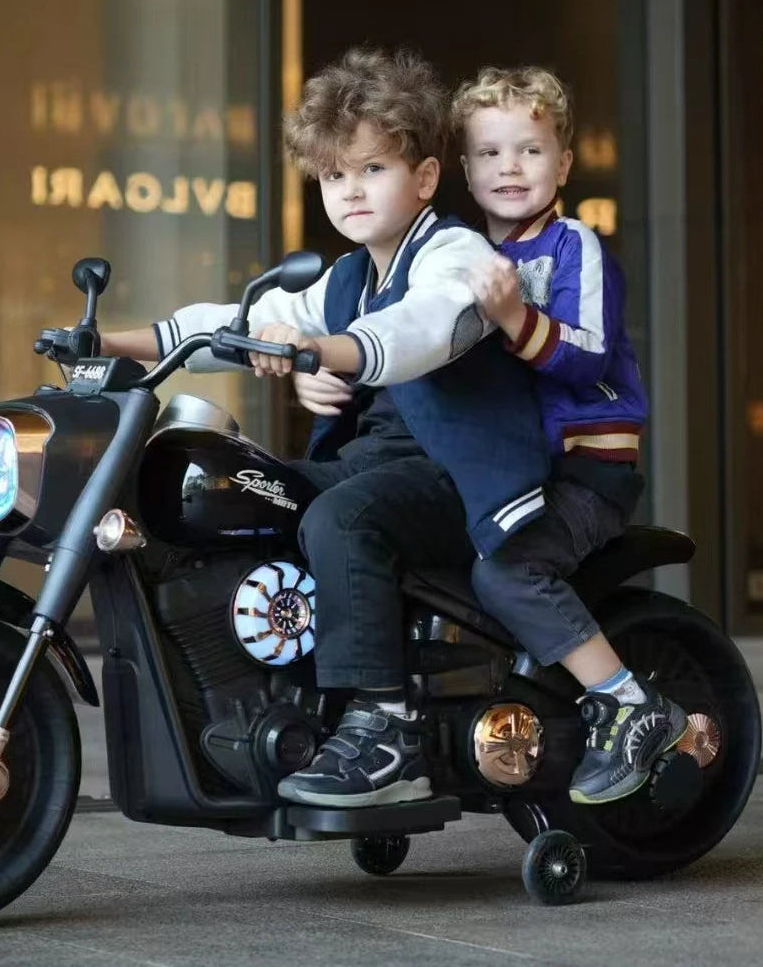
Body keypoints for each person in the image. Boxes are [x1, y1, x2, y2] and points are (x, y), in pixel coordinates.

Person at [100, 46, 550, 808]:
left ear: (426, 178)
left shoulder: (454, 254)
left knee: (342, 518)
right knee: (232, 487)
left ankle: (385, 729)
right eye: (335, 176)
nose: (350, 191)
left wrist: (324, 350)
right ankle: (242, 697)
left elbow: (419, 330)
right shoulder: (344, 277)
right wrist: (112, 342)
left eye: (372, 169)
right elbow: (238, 322)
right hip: (376, 469)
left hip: (461, 479)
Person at [448, 65, 687, 804]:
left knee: (507, 571)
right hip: (514, 468)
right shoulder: (462, 259)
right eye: (489, 153)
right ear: (462, 168)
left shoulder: (571, 245)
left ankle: (627, 700)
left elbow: (585, 357)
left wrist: (514, 317)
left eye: (529, 150)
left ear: (565, 164)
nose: (509, 167)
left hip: (586, 473)